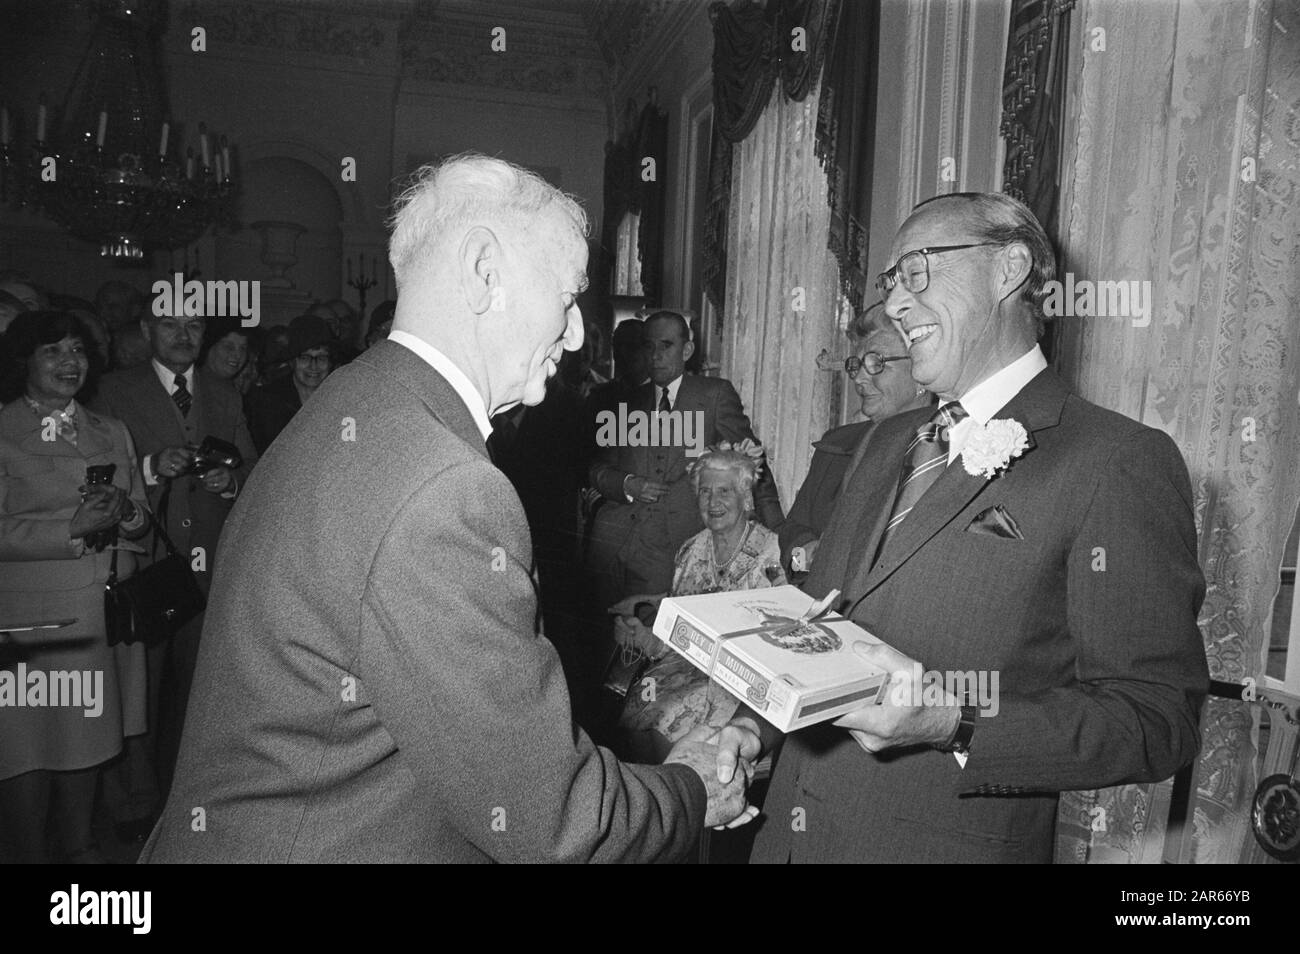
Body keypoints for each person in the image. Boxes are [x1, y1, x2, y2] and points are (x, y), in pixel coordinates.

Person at [138, 153, 755, 863]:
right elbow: (555, 820)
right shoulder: (446, 485)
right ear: (485, 270)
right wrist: (694, 788)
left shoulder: (356, 397)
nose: (579, 335)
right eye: (568, 295)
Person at [716, 192, 1209, 863]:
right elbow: (814, 627)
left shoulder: (1116, 459)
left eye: (917, 271)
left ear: (1008, 268)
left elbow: (1155, 718)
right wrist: (752, 730)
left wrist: (954, 721)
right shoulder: (883, 441)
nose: (893, 304)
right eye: (892, 283)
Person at [0, 310, 151, 862]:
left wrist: (128, 514)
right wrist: (67, 530)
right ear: (24, 361)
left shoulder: (111, 431)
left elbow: (138, 525)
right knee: (24, 748)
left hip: (94, 616)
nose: (71, 362)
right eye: (53, 351)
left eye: (78, 351)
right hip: (27, 621)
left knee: (85, 743)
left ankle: (81, 850)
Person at [91, 306, 257, 803]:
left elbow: (253, 464)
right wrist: (149, 466)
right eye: (170, 324)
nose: (183, 336)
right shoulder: (115, 390)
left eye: (194, 326)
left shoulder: (224, 391)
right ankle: (137, 802)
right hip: (144, 564)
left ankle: (192, 800)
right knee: (139, 693)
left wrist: (232, 480)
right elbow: (95, 475)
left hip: (208, 568)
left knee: (198, 694)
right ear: (145, 330)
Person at [586, 310, 784, 607]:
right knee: (606, 640)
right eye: (649, 346)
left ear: (687, 350)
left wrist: (779, 533)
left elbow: (752, 463)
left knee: (655, 638)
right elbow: (596, 468)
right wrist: (628, 484)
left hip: (672, 548)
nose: (655, 355)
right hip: (611, 545)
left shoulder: (714, 395)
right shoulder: (624, 403)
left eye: (666, 346)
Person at [612, 442, 785, 764]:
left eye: (724, 491)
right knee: (639, 706)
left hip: (743, 673)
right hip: (686, 665)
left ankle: (689, 800)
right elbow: (682, 619)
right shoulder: (691, 549)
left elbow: (780, 635)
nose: (713, 502)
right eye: (705, 492)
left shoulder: (772, 552)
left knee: (671, 719)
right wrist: (642, 633)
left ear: (746, 497)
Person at [779, 303, 933, 577]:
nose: (859, 378)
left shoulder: (938, 454)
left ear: (920, 369)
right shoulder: (835, 445)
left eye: (876, 363)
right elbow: (793, 530)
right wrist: (806, 556)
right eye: (857, 365)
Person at [245, 314, 335, 455]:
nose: (313, 366)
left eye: (321, 358)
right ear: (292, 361)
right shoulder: (267, 402)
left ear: (330, 362)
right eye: (304, 357)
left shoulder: (340, 398)